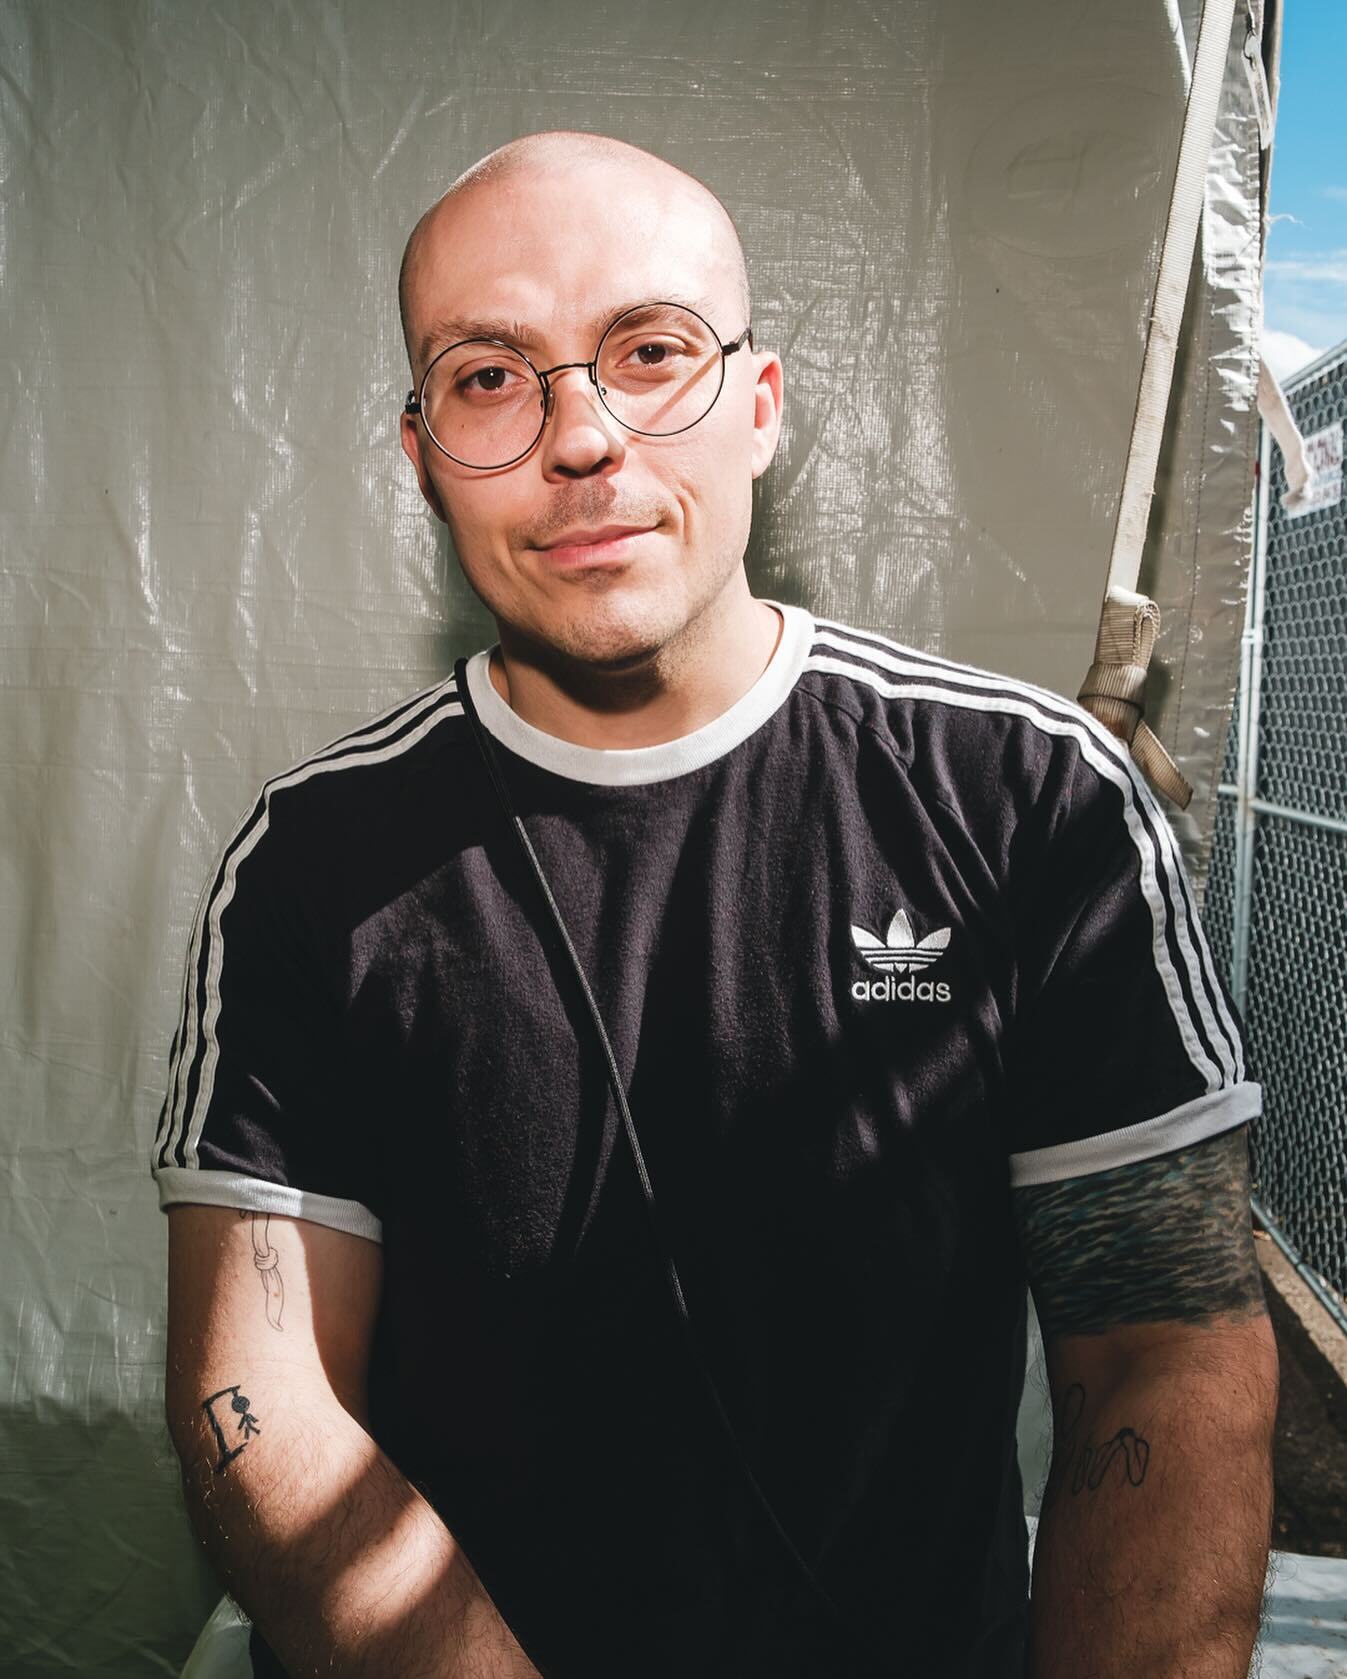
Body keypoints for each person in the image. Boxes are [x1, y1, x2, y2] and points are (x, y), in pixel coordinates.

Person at [153, 131, 1278, 1679]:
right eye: (490, 375)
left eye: (651, 351)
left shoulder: (1036, 802)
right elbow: (258, 1391)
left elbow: (1166, 1348)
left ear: (759, 405)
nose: (583, 435)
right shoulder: (314, 863)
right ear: (419, 456)